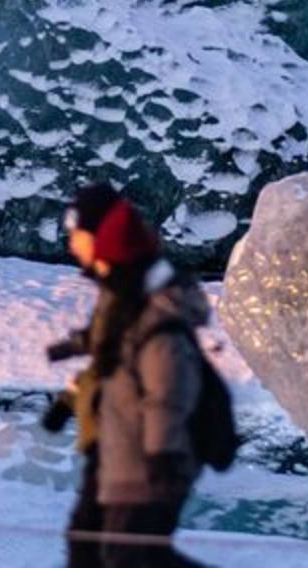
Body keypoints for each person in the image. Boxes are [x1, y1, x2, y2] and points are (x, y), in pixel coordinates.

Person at [43, 183, 205, 565]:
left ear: (99, 235)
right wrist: (68, 401)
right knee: (87, 546)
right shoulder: (117, 291)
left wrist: (161, 451)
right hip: (113, 442)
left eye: (76, 234)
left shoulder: (145, 297)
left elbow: (164, 374)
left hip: (142, 450)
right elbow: (109, 363)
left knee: (125, 557)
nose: (71, 245)